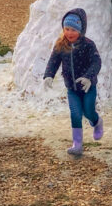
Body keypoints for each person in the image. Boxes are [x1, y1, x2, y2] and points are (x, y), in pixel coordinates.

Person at [43, 8, 103, 156]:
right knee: (75, 114)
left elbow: (96, 62)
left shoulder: (88, 45)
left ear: (81, 30)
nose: (70, 33)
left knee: (88, 112)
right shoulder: (61, 45)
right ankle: (77, 143)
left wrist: (89, 77)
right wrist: (48, 75)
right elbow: (53, 61)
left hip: (88, 87)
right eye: (67, 29)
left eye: (74, 30)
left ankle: (97, 122)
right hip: (72, 89)